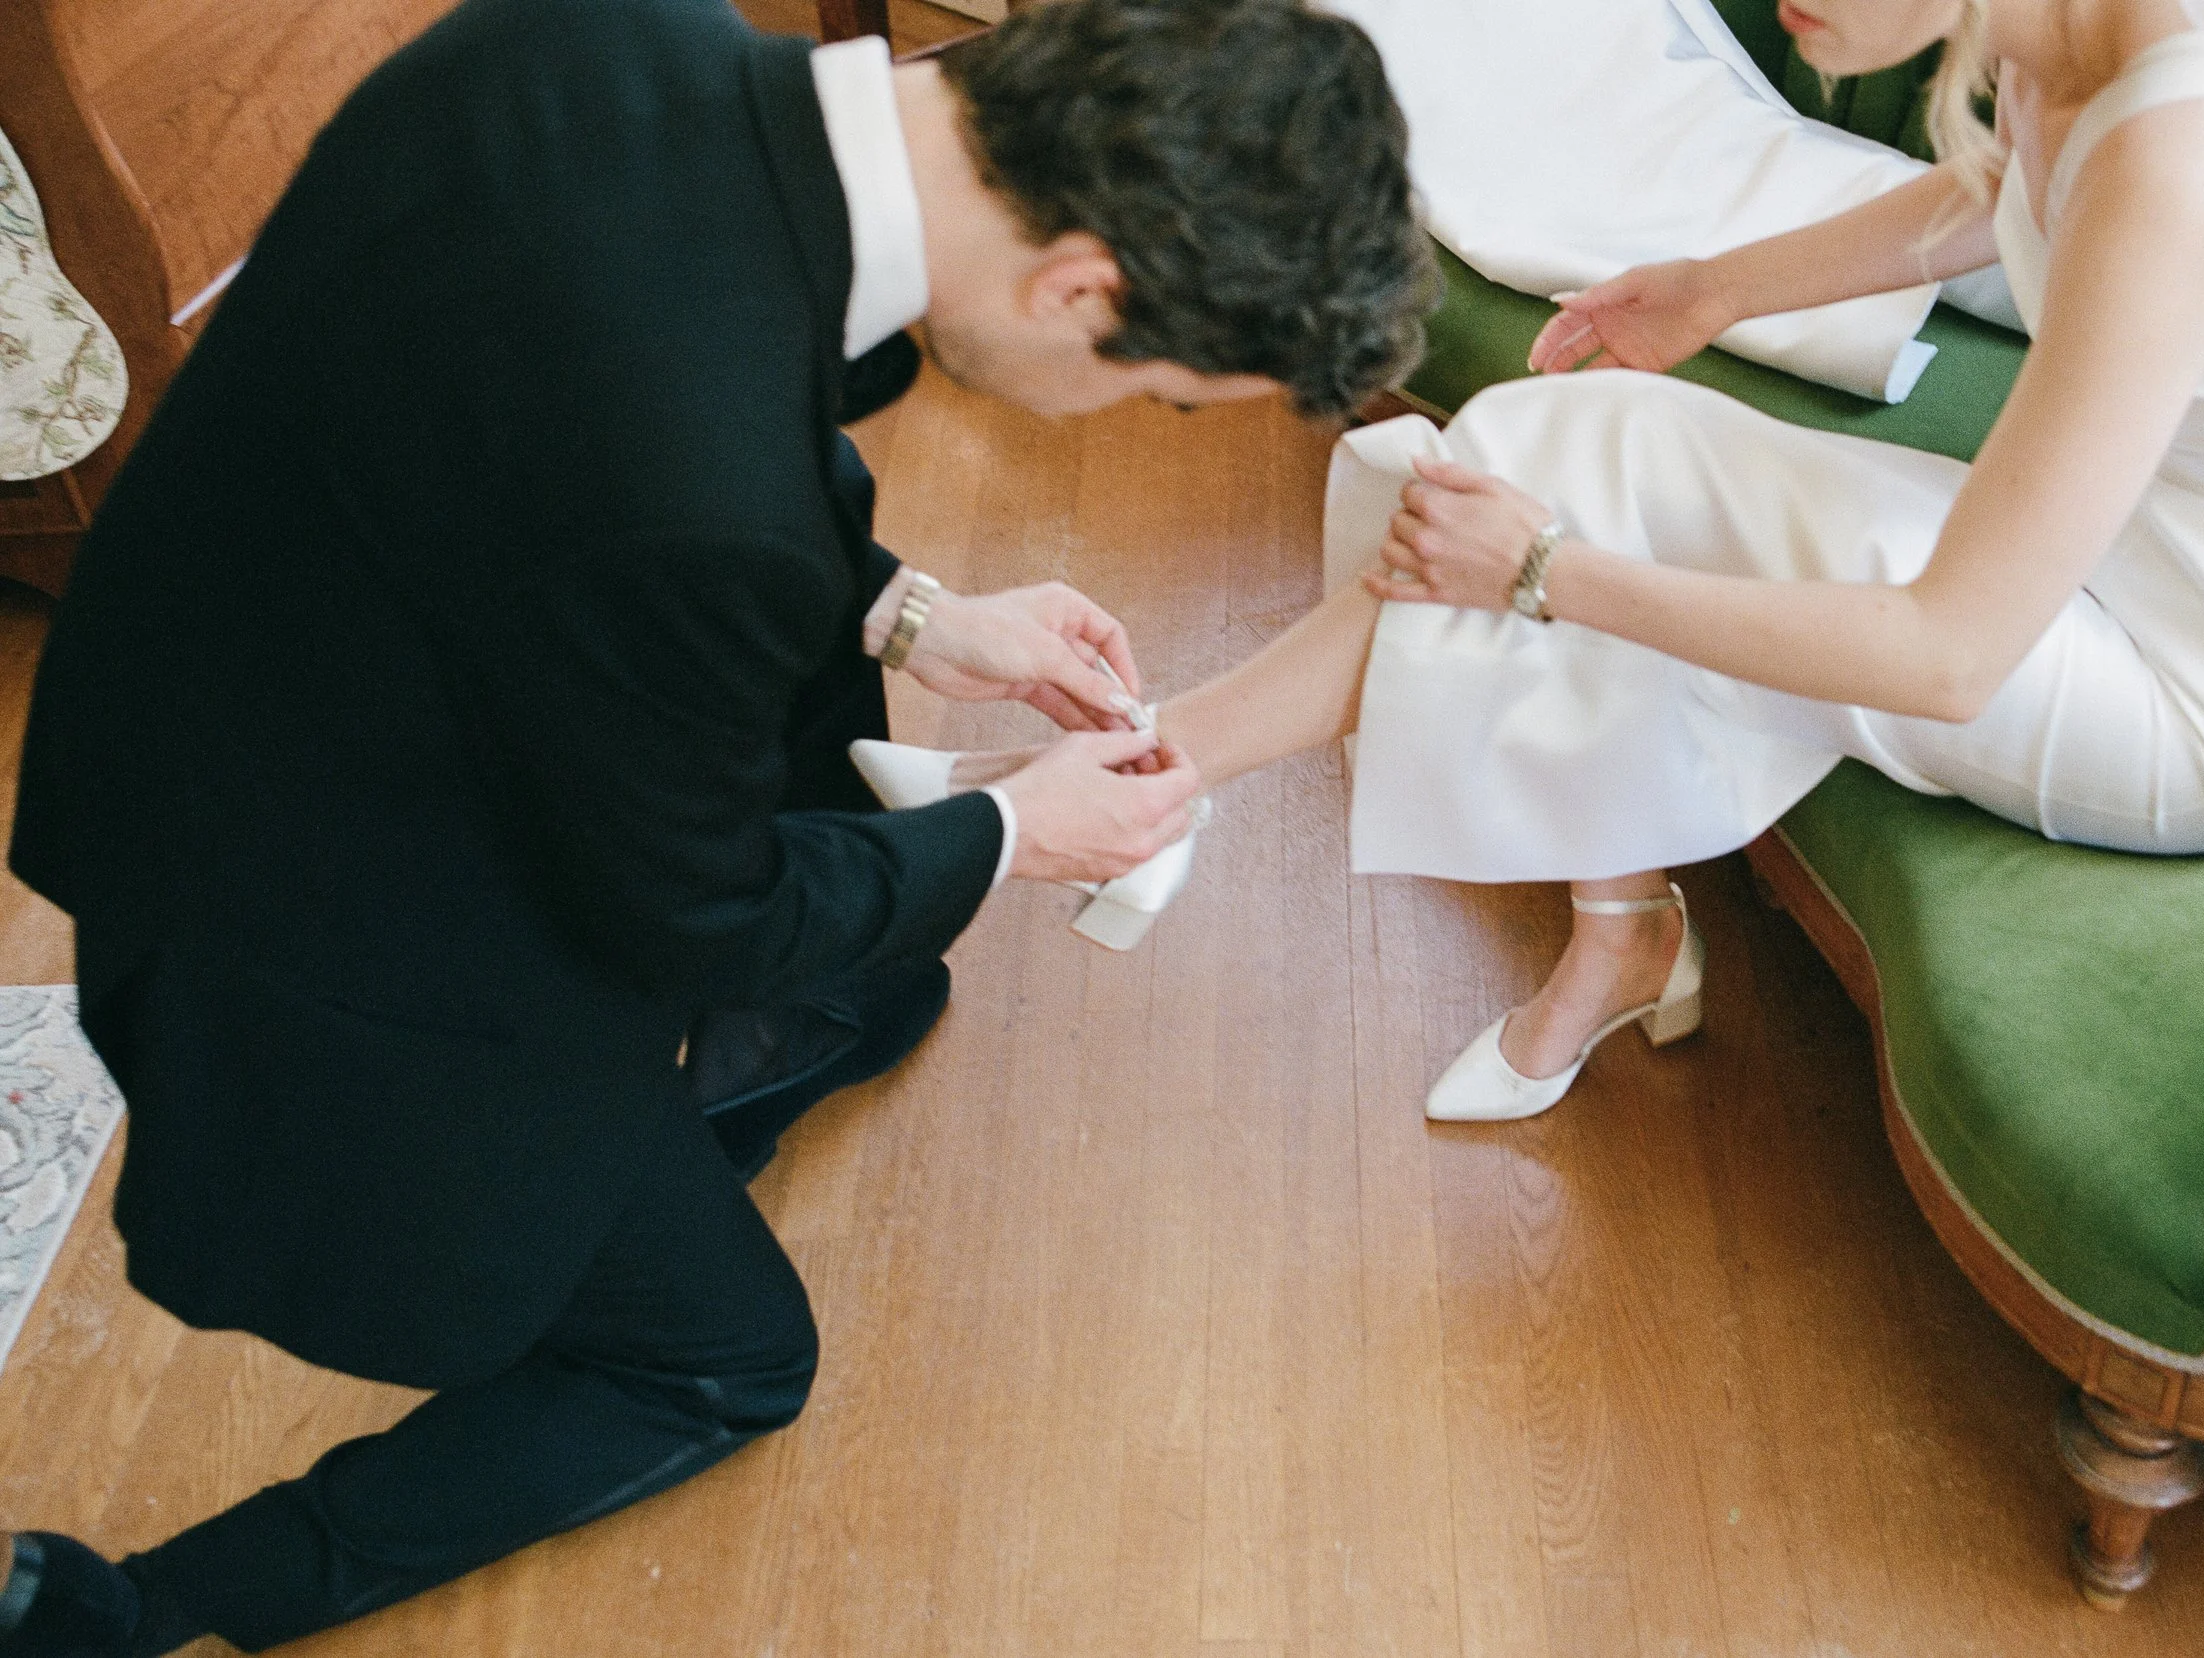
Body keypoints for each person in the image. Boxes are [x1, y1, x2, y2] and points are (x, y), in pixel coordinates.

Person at [0, 0, 1436, 1651]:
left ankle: (662, 1124)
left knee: (881, 984)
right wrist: (1011, 837)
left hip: (256, 646)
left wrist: (916, 613)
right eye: (1168, 395)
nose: (1125, 417)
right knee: (732, 1353)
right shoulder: (696, 498)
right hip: (319, 906)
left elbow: (570, 436)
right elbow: (687, 910)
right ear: (1082, 287)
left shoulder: (605, 42)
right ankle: (125, 1614)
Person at [884, 0, 2204, 1124]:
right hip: (2101, 559)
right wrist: (1713, 289)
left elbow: (1948, 653)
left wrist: (1544, 575)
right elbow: (1999, 195)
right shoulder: (2085, 25)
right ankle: (1165, 786)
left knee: (1549, 494)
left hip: (2198, 705)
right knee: (1539, 444)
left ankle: (1140, 795)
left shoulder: (2203, 149)